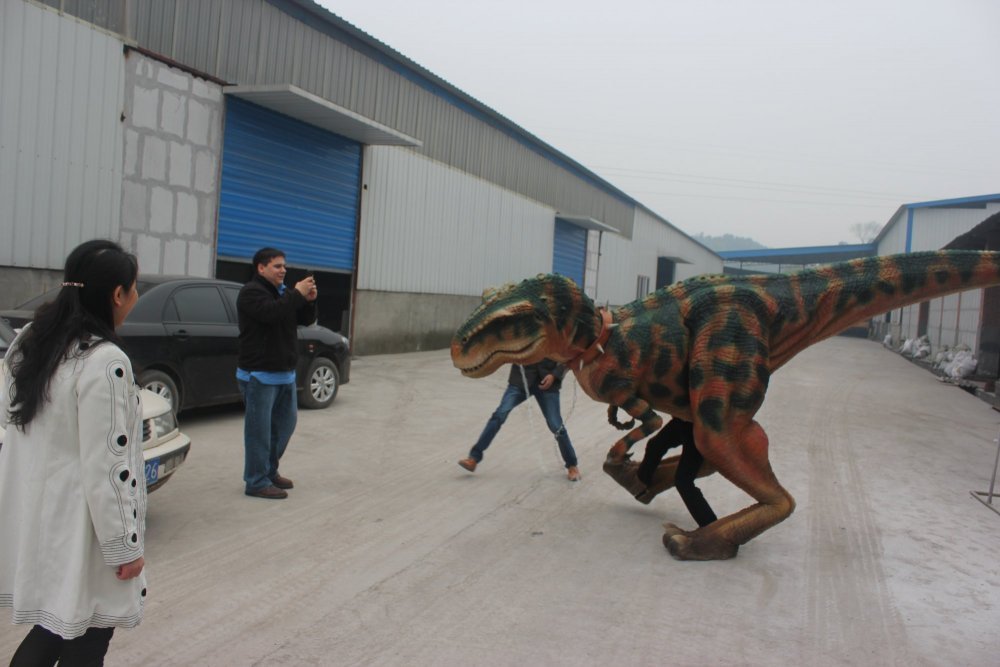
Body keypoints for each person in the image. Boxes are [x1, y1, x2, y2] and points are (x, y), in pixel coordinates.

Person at [0, 240, 146, 665]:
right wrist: (124, 546)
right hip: (86, 530)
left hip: (41, 519)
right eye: (134, 288)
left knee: (53, 628)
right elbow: (109, 466)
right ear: (117, 294)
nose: (135, 296)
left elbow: (12, 418)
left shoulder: (32, 341)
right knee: (87, 637)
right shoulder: (105, 360)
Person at [236, 247, 317, 499]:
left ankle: (269, 471)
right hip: (259, 375)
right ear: (261, 268)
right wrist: (296, 294)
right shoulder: (251, 292)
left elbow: (303, 319)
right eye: (277, 266)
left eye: (284, 266)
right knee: (259, 433)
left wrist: (308, 300)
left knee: (284, 427)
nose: (283, 270)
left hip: (284, 374)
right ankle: (256, 481)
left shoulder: (283, 294)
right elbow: (271, 314)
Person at [459, 359, 581, 481]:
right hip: (520, 380)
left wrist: (554, 375)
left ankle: (572, 465)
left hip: (548, 382)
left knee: (556, 426)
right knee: (499, 415)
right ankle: (473, 458)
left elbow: (567, 357)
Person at [637, 417, 717, 527]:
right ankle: (641, 484)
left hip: (700, 430)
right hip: (684, 421)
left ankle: (711, 526)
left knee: (683, 481)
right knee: (655, 445)